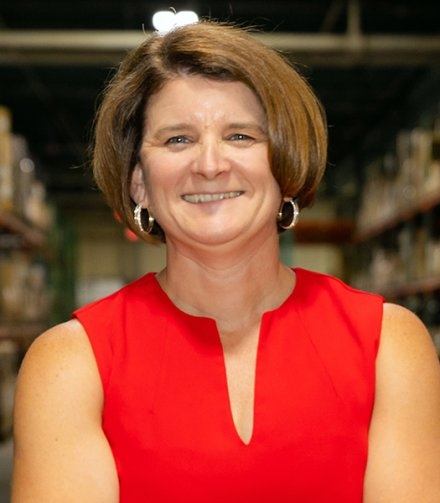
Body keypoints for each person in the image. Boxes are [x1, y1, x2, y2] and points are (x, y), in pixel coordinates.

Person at [11, 20, 440, 503]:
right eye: (177, 139)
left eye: (240, 136)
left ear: (286, 164)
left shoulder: (387, 345)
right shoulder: (72, 364)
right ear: (139, 183)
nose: (210, 165)